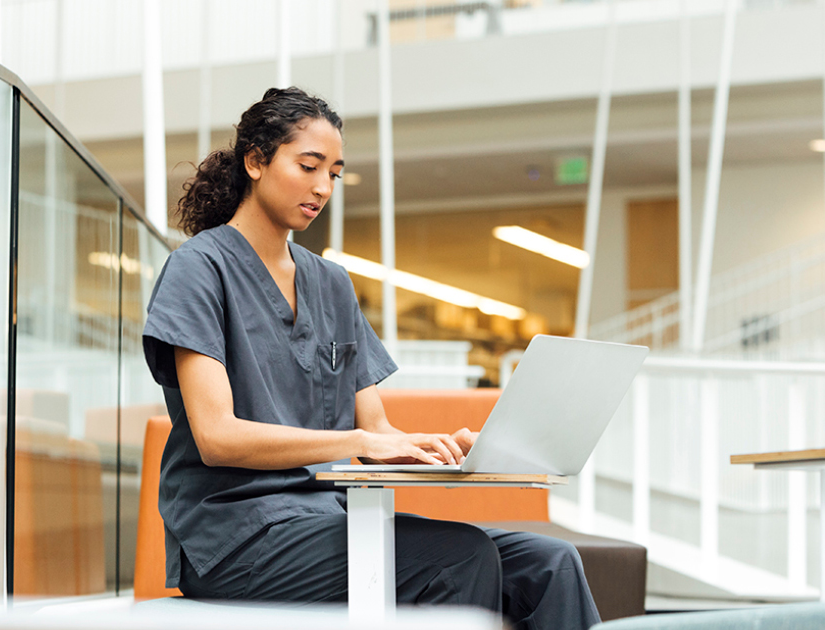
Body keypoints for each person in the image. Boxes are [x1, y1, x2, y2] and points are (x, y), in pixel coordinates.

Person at [142, 87, 601, 630]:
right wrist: (361, 443)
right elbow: (218, 438)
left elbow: (376, 426)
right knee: (459, 555)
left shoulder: (331, 284)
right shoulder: (199, 269)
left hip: (331, 520)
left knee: (551, 563)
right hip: (237, 538)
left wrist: (441, 450)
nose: (322, 187)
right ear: (256, 161)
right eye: (309, 166)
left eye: (333, 174)